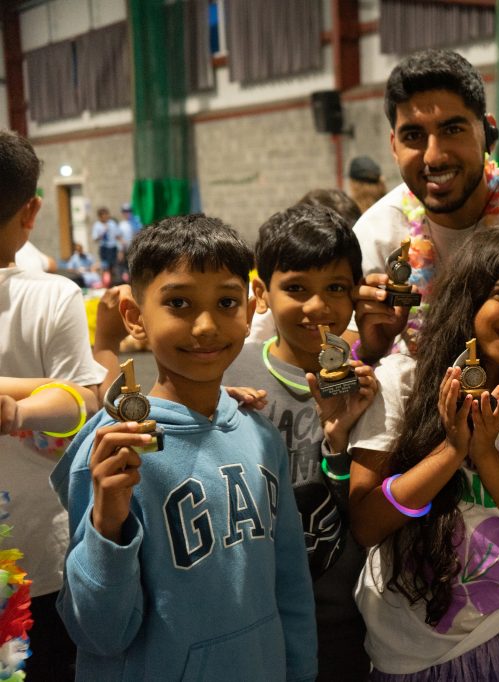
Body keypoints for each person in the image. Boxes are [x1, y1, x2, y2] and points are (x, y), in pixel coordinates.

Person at [50, 214, 318, 681]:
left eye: (226, 302)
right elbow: (98, 633)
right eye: (178, 303)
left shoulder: (260, 435)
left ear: (252, 307)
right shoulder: (111, 450)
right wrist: (106, 525)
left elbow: (290, 584)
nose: (206, 326)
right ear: (135, 316)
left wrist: (301, 669)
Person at [346, 228, 499, 680]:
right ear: (469, 295)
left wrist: (487, 456)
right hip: (407, 643)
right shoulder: (402, 381)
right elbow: (366, 524)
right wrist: (452, 449)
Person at [223, 203, 376, 681]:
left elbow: (369, 507)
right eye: (296, 289)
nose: (318, 307)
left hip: (343, 616)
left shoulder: (372, 382)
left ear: (356, 292)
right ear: (261, 294)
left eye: (336, 288)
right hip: (249, 612)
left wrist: (342, 439)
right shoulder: (228, 373)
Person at [349, 48, 499, 365]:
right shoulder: (373, 237)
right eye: (414, 135)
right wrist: (372, 348)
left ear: (488, 132)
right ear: (394, 146)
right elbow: (343, 356)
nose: (434, 157)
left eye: (452, 130)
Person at [1, 129, 107, 682]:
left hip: (36, 554)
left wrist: (15, 407)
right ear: (32, 210)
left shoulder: (50, 292)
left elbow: (80, 405)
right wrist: (29, 395)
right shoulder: (52, 293)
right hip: (40, 553)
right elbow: (79, 400)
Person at [90, 207, 119, 280]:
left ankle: (112, 281)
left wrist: (121, 246)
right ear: (100, 217)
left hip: (112, 247)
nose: (106, 217)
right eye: (104, 216)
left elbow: (117, 235)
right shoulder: (97, 225)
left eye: (107, 215)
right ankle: (105, 282)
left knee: (113, 266)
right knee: (105, 266)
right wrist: (103, 232)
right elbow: (95, 238)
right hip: (104, 248)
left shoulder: (112, 223)